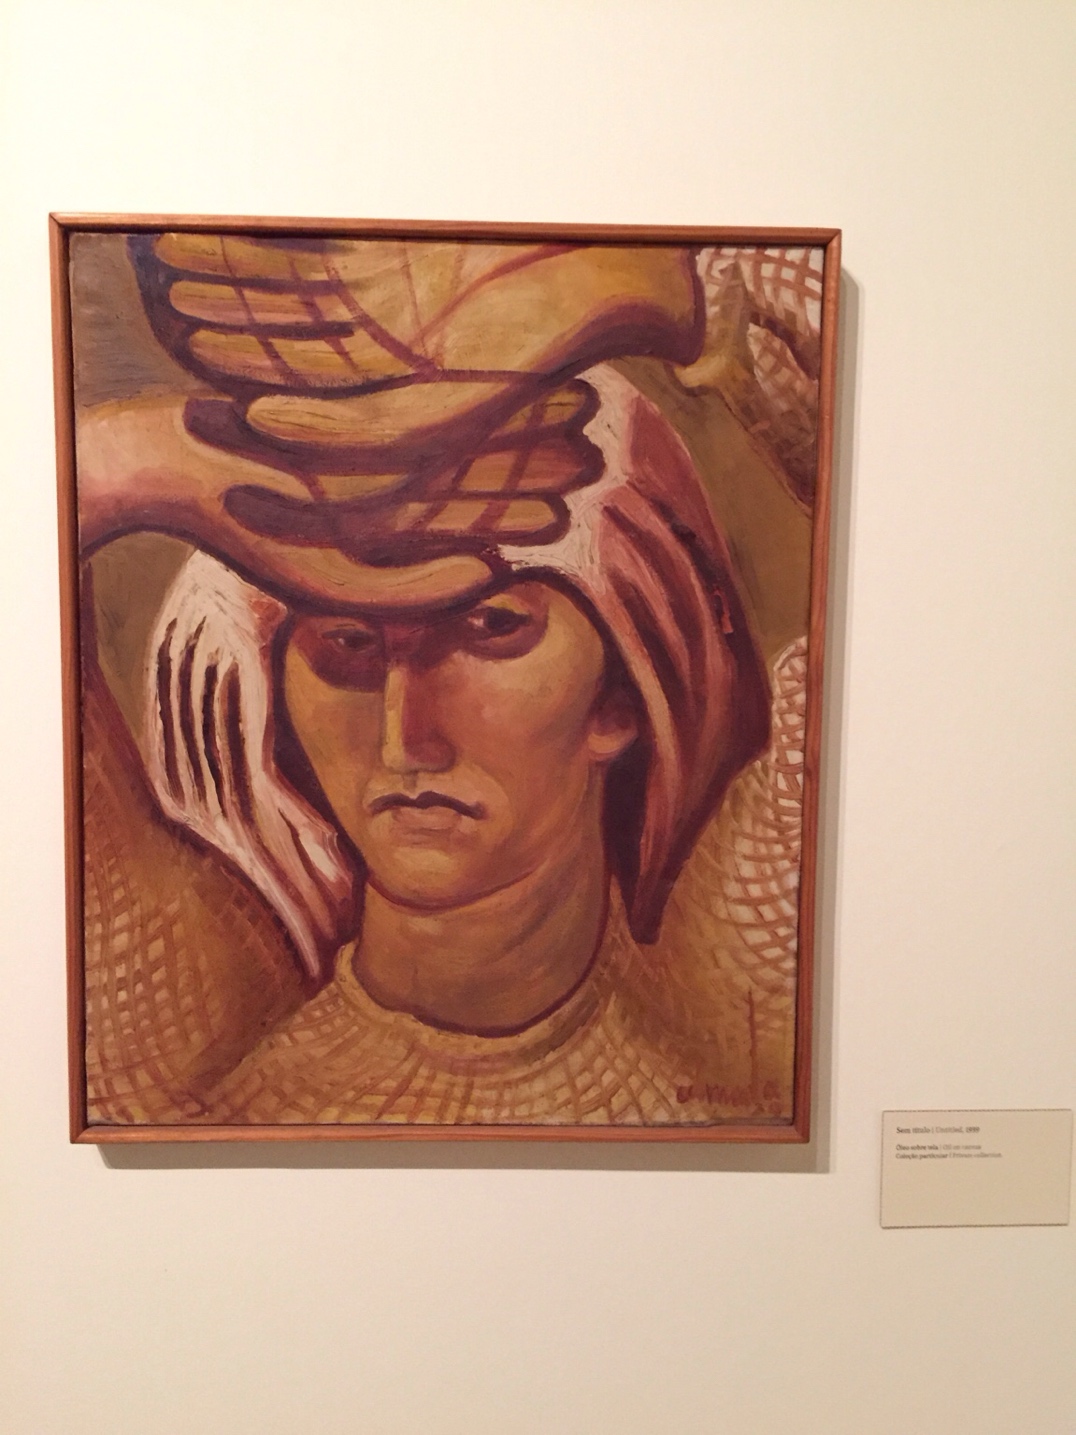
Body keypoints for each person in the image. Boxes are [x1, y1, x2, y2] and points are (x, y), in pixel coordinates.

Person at [74, 233, 814, 1127]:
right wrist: (172, 459)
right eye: (347, 641)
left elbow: (914, 504)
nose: (408, 737)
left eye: (492, 628)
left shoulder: (738, 1019)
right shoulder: (187, 1061)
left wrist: (654, 287)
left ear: (619, 692)